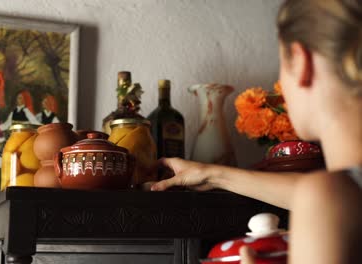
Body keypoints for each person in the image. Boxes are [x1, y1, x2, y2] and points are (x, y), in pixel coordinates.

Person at [151, 1, 362, 263]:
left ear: (302, 61)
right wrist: (214, 175)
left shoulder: (328, 196)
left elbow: (327, 199)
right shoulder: (336, 195)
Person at [0, 89, 40, 167]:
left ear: (25, 100)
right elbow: (7, 123)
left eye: (20, 98)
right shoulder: (14, 111)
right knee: (7, 148)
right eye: (18, 98)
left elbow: (34, 122)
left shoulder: (26, 111)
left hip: (23, 137)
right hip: (13, 135)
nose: (18, 100)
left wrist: (41, 128)